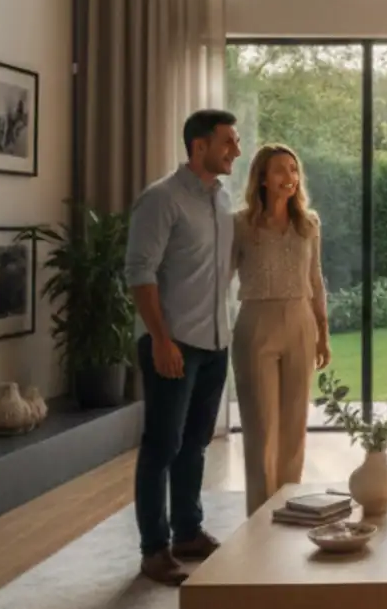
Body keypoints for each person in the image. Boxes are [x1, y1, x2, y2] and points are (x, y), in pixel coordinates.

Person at [124, 108, 240, 586]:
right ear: (200, 146)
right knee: (162, 446)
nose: (235, 149)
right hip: (175, 345)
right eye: (228, 141)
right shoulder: (160, 199)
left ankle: (188, 531)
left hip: (215, 343)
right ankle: (154, 549)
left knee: (195, 443)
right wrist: (161, 340)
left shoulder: (220, 198)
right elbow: (139, 273)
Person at [230, 144, 331, 516]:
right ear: (261, 177)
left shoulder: (309, 224)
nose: (289, 177)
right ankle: (259, 516)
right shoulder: (240, 225)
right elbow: (220, 277)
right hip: (256, 322)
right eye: (279, 171)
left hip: (301, 321)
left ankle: (290, 510)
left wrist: (323, 331)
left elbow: (316, 280)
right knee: (260, 430)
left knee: (294, 428)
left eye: (293, 169)